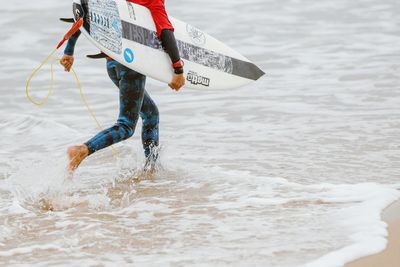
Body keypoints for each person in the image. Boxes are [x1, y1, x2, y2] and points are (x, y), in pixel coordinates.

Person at [60, 0, 185, 173]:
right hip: (131, 65)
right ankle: (82, 150)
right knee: (126, 125)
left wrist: (69, 50)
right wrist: (178, 69)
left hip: (113, 64)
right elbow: (165, 32)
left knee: (151, 114)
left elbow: (85, 15)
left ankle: (151, 169)